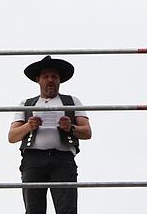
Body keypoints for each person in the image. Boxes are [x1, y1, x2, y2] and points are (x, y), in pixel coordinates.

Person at [8, 56, 91, 214]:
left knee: (67, 208)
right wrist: (28, 126)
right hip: (33, 159)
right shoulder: (26, 104)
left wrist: (71, 127)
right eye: (46, 76)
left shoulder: (72, 101)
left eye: (54, 76)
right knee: (34, 209)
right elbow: (12, 136)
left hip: (63, 159)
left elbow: (87, 132)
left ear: (60, 80)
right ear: (38, 79)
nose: (50, 80)